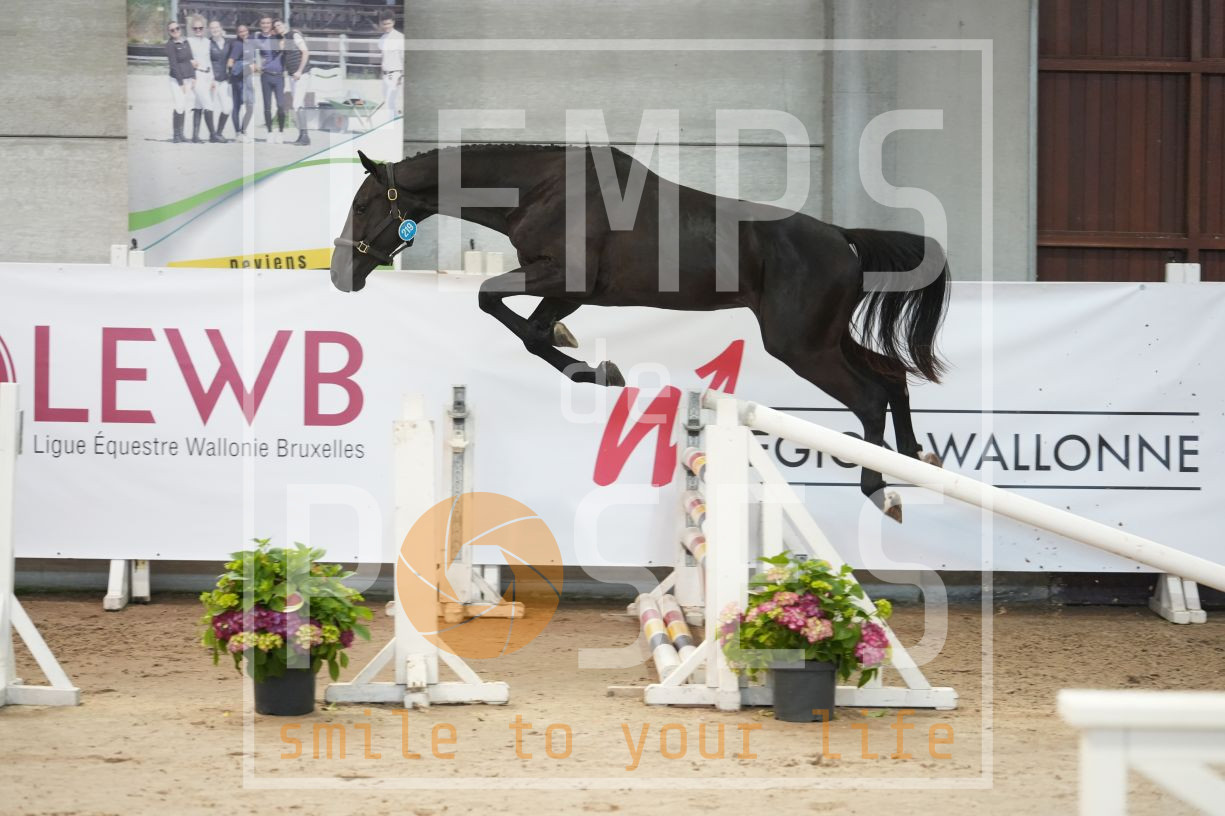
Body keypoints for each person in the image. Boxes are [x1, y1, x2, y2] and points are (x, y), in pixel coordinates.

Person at [186, 15, 224, 142]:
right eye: (195, 28)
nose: (198, 30)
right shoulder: (189, 41)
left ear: (204, 29)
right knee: (208, 104)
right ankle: (213, 134)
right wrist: (190, 64)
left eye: (200, 28)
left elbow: (209, 61)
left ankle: (195, 136)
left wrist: (212, 78)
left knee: (198, 105)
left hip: (208, 75)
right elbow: (184, 57)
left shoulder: (208, 42)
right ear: (192, 29)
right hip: (196, 76)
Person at [273, 19, 311, 145]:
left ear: (284, 25)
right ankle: (302, 135)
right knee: (299, 105)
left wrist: (299, 71)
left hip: (301, 74)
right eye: (275, 27)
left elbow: (305, 52)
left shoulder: (294, 35)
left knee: (297, 104)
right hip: (292, 76)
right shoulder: (283, 40)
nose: (277, 27)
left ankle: (305, 136)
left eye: (279, 25)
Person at [254, 14, 285, 143]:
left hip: (278, 75)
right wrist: (255, 63)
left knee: (280, 105)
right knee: (267, 106)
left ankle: (281, 132)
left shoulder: (278, 36)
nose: (266, 25)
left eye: (268, 23)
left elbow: (289, 45)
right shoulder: (257, 38)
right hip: (265, 75)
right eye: (263, 23)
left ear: (271, 25)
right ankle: (269, 132)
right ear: (260, 25)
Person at [164, 20, 194, 143]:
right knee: (179, 105)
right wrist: (180, 83)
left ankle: (181, 134)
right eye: (172, 30)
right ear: (169, 32)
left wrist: (193, 76)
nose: (175, 31)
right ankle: (176, 135)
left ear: (180, 29)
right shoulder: (170, 45)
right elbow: (174, 65)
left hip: (188, 78)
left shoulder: (186, 42)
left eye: (177, 28)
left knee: (183, 105)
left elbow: (191, 59)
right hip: (176, 80)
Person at [226, 24, 256, 142]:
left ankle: (242, 132)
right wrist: (244, 69)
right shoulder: (238, 45)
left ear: (248, 31)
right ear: (237, 33)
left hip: (247, 78)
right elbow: (230, 62)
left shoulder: (249, 43)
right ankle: (239, 133)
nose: (243, 33)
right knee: (238, 106)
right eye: (240, 32)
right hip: (238, 79)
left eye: (245, 31)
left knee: (249, 106)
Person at [207, 20, 233, 140]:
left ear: (221, 28)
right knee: (209, 106)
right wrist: (210, 78)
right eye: (212, 28)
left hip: (224, 79)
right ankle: (212, 134)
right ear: (209, 30)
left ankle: (218, 133)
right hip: (212, 80)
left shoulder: (228, 43)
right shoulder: (208, 43)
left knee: (227, 107)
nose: (215, 29)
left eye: (217, 27)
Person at [377, 10, 404, 123]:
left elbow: (404, 57)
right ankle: (392, 124)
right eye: (384, 24)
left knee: (393, 101)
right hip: (385, 75)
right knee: (387, 102)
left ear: (393, 22)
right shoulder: (382, 39)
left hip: (396, 74)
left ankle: (396, 124)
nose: (386, 26)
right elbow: (383, 57)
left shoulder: (400, 37)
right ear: (381, 24)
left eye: (388, 23)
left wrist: (401, 76)